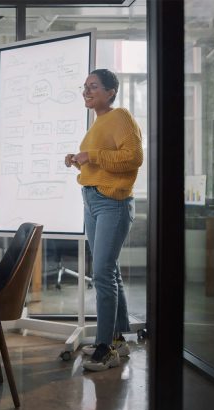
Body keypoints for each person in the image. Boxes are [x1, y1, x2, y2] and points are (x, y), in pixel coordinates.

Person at [64, 69, 143, 371]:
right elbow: (101, 162)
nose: (87, 91)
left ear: (111, 91)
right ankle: (118, 339)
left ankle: (104, 346)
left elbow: (134, 157)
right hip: (93, 200)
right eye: (84, 87)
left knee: (102, 273)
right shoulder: (98, 122)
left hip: (113, 202)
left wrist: (91, 156)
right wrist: (78, 160)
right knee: (109, 272)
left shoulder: (120, 116)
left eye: (93, 86)